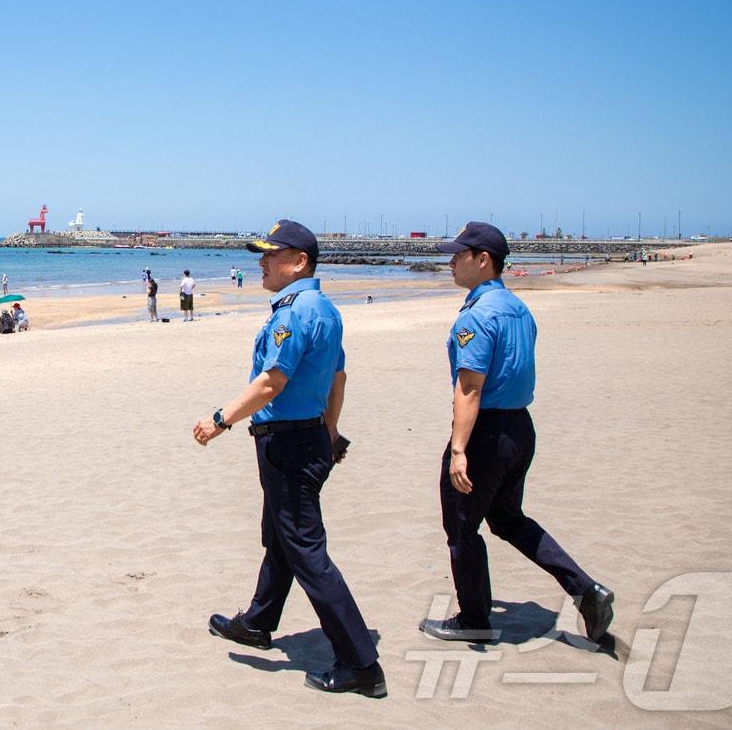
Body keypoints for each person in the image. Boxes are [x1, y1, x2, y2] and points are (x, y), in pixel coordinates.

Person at [193, 219, 385, 698]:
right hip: (308, 439)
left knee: (305, 550)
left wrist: (220, 420)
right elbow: (338, 378)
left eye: (271, 255)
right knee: (281, 535)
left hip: (290, 444)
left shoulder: (295, 312)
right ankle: (257, 623)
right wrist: (332, 430)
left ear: (299, 262)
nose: (262, 261)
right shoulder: (325, 309)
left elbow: (270, 382)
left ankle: (361, 663)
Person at [419, 222, 614, 645]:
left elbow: (469, 387)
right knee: (507, 520)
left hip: (486, 431)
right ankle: (586, 590)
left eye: (459, 254)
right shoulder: (518, 309)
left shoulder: (477, 316)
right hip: (519, 429)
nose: (450, 260)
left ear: (483, 259)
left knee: (461, 526)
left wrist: (458, 450)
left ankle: (473, 617)